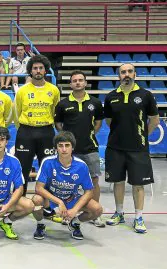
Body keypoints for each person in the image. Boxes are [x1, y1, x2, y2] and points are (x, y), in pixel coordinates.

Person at [103, 63, 159, 233]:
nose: (126, 74)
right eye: (123, 72)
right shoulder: (111, 96)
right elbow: (109, 121)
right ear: (118, 75)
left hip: (138, 149)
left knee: (138, 185)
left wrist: (141, 136)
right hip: (115, 148)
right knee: (118, 182)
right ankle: (119, 213)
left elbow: (154, 120)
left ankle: (138, 217)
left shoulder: (146, 95)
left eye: (129, 71)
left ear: (135, 74)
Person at [54, 70, 105, 227]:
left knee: (94, 181)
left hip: (90, 148)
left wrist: (87, 135)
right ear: (70, 84)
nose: (77, 82)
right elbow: (58, 125)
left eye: (80, 80)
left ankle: (94, 215)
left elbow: (98, 123)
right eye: (74, 80)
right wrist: (69, 141)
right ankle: (68, 213)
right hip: (70, 151)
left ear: (85, 83)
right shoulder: (63, 104)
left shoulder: (95, 103)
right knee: (67, 182)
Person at [31, 131, 103, 240]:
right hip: (51, 200)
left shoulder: (81, 166)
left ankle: (75, 223)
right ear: (56, 148)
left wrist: (75, 210)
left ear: (72, 147)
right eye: (60, 146)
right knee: (36, 199)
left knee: (97, 209)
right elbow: (38, 187)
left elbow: (89, 192)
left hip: (71, 199)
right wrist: (59, 202)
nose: (64, 149)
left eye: (67, 145)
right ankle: (41, 224)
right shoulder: (48, 162)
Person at [14, 55, 60, 222]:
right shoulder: (22, 91)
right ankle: (20, 202)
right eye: (35, 68)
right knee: (22, 169)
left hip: (46, 132)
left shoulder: (53, 90)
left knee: (47, 169)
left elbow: (56, 111)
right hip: (26, 132)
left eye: (41, 68)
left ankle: (47, 206)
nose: (38, 71)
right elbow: (17, 113)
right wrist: (26, 129)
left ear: (45, 70)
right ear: (30, 70)